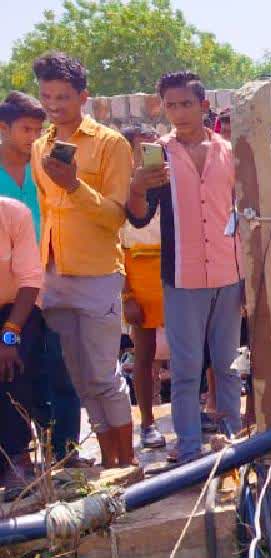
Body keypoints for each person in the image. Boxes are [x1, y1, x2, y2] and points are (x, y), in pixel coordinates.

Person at [126, 71, 242, 464]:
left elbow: (243, 211)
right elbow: (141, 218)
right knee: (186, 369)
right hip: (182, 275)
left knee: (227, 366)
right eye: (170, 105)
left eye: (185, 104)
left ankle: (232, 442)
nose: (178, 112)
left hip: (229, 273)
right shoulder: (158, 153)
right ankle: (190, 449)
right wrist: (138, 187)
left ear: (203, 106)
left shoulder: (230, 152)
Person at [30, 52, 136, 468]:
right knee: (78, 379)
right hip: (55, 275)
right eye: (46, 96)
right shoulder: (41, 145)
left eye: (63, 96)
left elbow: (114, 217)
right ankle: (109, 461)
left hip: (97, 275)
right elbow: (45, 213)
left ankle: (126, 462)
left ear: (83, 97)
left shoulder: (110, 144)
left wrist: (74, 186)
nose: (54, 104)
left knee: (104, 375)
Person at [0, 92, 83, 467]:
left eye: (38, 129)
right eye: (25, 128)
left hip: (49, 276)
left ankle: (63, 454)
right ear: (4, 129)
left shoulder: (44, 167)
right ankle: (19, 458)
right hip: (14, 287)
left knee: (58, 370)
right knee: (20, 372)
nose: (32, 136)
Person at [119, 125, 168, 449]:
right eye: (140, 148)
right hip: (138, 274)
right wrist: (126, 295)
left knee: (190, 351)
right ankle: (148, 423)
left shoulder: (170, 184)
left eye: (152, 148)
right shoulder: (121, 189)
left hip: (173, 269)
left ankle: (195, 417)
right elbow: (115, 244)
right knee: (144, 353)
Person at [0, 198, 43, 491]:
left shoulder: (14, 214)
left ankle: (18, 458)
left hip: (16, 311)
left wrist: (8, 335)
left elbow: (30, 281)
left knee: (11, 366)